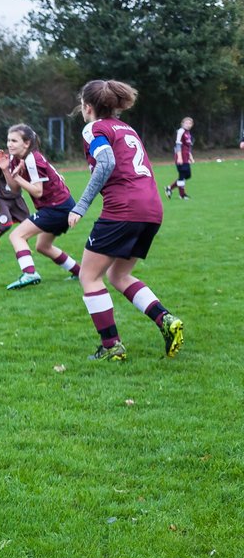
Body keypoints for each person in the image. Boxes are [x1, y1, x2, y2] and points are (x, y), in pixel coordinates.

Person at [66, 79, 184, 361]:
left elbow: (106, 162)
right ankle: (166, 320)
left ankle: (111, 347)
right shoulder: (126, 128)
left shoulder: (94, 127)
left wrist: (81, 205)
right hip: (152, 209)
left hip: (124, 209)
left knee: (89, 275)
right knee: (118, 275)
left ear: (88, 106)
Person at [0, 124, 82, 290]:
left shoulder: (32, 159)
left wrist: (19, 179)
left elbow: (37, 191)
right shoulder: (17, 159)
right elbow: (15, 190)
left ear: (27, 143)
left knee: (16, 236)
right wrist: (6, 170)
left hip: (57, 208)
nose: (9, 144)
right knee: (42, 246)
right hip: (60, 206)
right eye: (8, 140)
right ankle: (79, 272)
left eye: (14, 140)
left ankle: (30, 273)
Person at [0, 150, 30, 253]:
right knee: (6, 224)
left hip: (17, 198)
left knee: (28, 223)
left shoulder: (26, 161)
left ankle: (23, 247)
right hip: (1, 199)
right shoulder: (4, 161)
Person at [165, 116, 194, 200]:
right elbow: (178, 144)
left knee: (187, 175)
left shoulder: (188, 133)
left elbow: (188, 147)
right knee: (182, 175)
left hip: (186, 157)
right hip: (180, 157)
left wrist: (190, 157)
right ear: (182, 124)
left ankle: (169, 188)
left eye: (190, 123)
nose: (188, 125)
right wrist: (179, 158)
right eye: (186, 123)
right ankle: (182, 195)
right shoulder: (181, 131)